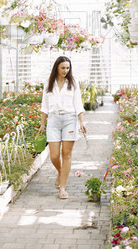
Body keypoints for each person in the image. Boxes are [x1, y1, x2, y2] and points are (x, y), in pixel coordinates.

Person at [39, 56, 86, 199]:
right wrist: (42, 124)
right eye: (63, 68)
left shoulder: (73, 82)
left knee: (66, 154)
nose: (66, 70)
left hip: (69, 120)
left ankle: (63, 188)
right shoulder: (49, 82)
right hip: (53, 120)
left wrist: (81, 122)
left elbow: (78, 103)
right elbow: (44, 105)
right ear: (56, 68)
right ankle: (60, 172)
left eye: (67, 68)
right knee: (53, 156)